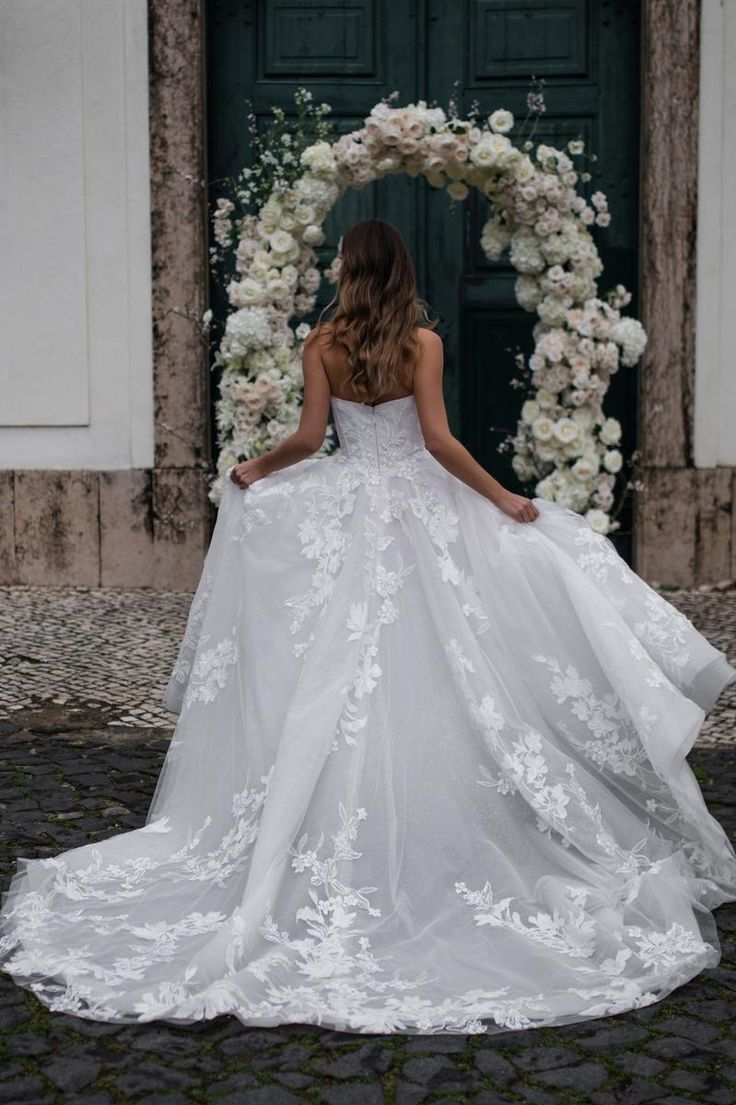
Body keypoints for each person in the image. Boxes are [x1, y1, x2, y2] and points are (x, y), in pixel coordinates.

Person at [1, 219, 735, 1037]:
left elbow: (312, 440)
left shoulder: (324, 343)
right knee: (451, 657)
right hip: (420, 511)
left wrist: (252, 469)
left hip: (346, 510)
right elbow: (440, 443)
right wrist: (502, 500)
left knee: (337, 667)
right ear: (404, 272)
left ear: (349, 271)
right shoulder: (422, 342)